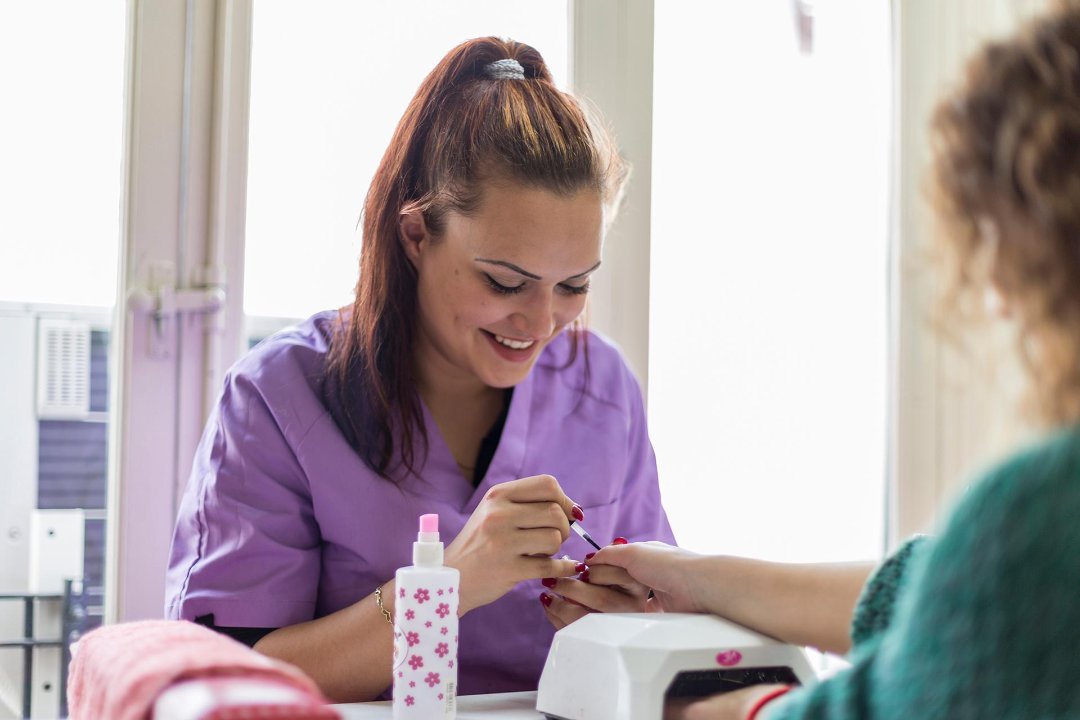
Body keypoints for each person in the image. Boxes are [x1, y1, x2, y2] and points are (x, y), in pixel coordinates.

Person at [548, 5, 1080, 719]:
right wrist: (692, 578)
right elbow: (930, 590)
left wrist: (692, 705)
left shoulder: (1040, 515)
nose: (995, 300)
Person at [164, 36, 674, 703]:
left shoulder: (603, 389)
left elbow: (661, 621)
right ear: (415, 235)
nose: (542, 321)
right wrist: (445, 587)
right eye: (506, 282)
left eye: (574, 285)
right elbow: (228, 676)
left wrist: (632, 623)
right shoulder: (278, 398)